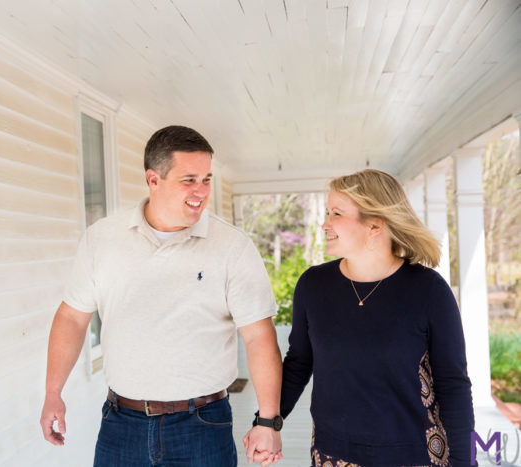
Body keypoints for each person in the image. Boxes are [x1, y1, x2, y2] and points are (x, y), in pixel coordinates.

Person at [39, 125, 283, 466]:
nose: (201, 191)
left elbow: (259, 337)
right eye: (189, 180)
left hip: (202, 425)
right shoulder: (103, 239)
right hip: (120, 423)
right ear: (153, 180)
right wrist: (53, 393)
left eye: (207, 179)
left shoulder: (232, 247)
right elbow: (72, 316)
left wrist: (268, 420)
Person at [261, 169, 476, 466]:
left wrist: (463, 463)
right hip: (332, 455)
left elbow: (453, 385)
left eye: (336, 213)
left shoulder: (428, 290)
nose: (324, 224)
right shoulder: (313, 285)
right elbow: (299, 363)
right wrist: (267, 422)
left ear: (374, 225)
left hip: (414, 455)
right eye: (327, 212)